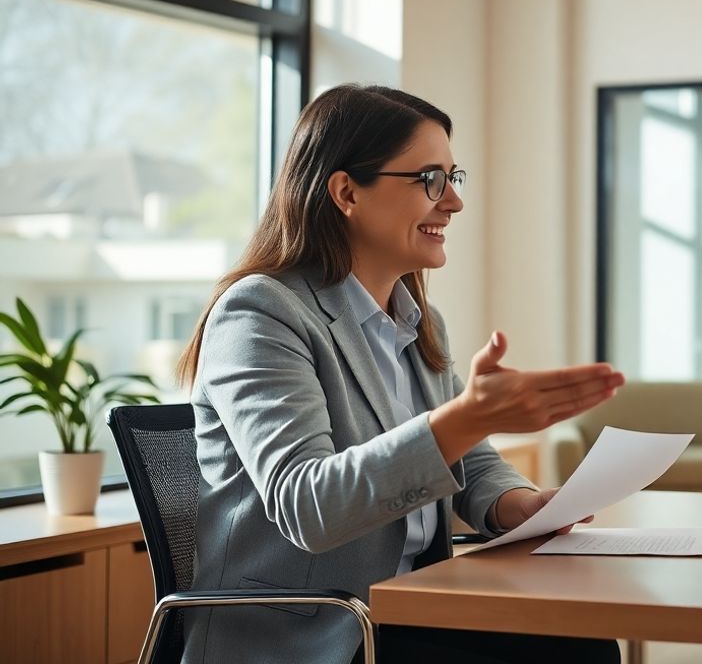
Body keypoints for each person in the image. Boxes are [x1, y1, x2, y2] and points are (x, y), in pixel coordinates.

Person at [176, 85, 625, 664]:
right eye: (429, 180)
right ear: (346, 192)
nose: (454, 203)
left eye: (452, 178)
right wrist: (466, 415)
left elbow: (469, 460)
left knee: (583, 646)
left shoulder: (416, 318)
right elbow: (307, 506)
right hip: (318, 632)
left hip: (412, 607)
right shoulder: (261, 313)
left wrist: (517, 503)